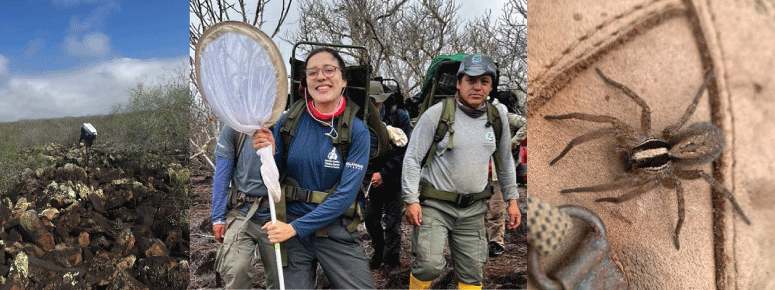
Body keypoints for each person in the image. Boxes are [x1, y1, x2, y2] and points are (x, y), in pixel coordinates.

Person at [252, 47, 375, 289]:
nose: (321, 77)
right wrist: (267, 151)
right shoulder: (288, 122)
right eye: (312, 73)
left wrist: (294, 229)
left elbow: (344, 197)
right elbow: (272, 179)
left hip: (336, 229)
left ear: (343, 79)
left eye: (329, 70)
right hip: (292, 226)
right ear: (304, 81)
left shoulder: (358, 131)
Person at [402, 54, 522, 289]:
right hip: (435, 205)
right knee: (428, 265)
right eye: (471, 80)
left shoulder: (497, 118)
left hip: (473, 209)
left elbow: (505, 162)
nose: (477, 87)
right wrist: (410, 199)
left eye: (484, 81)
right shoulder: (437, 114)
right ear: (459, 83)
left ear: (490, 86)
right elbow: (412, 158)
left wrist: (513, 200)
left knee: (472, 271)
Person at [211, 125, 279, 289]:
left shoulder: (284, 124)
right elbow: (222, 175)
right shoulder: (234, 128)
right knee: (236, 271)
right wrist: (218, 218)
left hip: (277, 215)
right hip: (242, 212)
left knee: (280, 277)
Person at [364, 80, 412, 270]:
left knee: (393, 223)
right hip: (372, 180)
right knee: (370, 219)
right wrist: (371, 176)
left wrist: (384, 173)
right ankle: (379, 250)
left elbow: (404, 152)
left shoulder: (399, 117)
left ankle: (391, 261)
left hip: (393, 177)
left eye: (377, 103)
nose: (376, 107)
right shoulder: (362, 120)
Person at [486, 103, 526, 257]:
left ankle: (496, 242)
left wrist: (514, 141)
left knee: (496, 208)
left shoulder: (504, 115)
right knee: (480, 208)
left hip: (498, 172)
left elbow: (526, 123)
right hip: (479, 172)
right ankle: (483, 241)